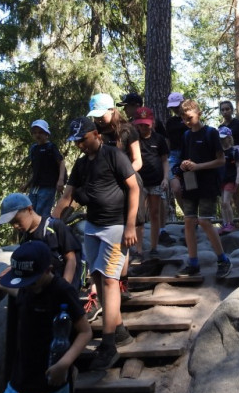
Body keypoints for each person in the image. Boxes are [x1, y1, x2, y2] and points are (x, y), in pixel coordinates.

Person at [51, 116, 139, 370]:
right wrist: (51, 223)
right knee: (97, 278)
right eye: (76, 141)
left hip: (115, 226)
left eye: (84, 139)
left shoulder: (113, 155)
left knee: (110, 280)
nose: (80, 145)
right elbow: (68, 196)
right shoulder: (81, 164)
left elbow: (133, 188)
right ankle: (119, 331)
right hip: (93, 227)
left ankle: (108, 345)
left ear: (96, 135)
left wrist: (130, 225)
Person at [0, 240, 91, 393]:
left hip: (48, 389)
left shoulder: (62, 291)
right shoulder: (27, 287)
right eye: (23, 282)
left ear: (48, 270)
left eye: (31, 281)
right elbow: (19, 292)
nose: (27, 286)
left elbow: (85, 332)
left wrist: (64, 364)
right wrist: (1, 285)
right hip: (17, 384)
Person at [175, 99, 232, 278]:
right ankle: (193, 263)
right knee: (188, 221)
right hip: (190, 183)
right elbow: (183, 158)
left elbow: (221, 160)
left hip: (208, 183)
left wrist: (198, 166)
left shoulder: (211, 133)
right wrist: (183, 165)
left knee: (205, 221)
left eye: (189, 117)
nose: (187, 121)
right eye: (184, 118)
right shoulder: (186, 136)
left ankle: (223, 260)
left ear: (198, 114)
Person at [87, 93, 145, 266]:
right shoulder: (95, 132)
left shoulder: (128, 130)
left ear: (112, 110)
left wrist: (123, 174)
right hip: (106, 185)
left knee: (134, 219)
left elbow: (138, 160)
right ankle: (121, 267)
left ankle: (139, 252)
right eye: (95, 116)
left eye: (101, 115)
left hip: (129, 180)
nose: (99, 119)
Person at [0, 192, 83, 290]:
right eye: (11, 223)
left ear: (29, 209)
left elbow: (71, 259)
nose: (15, 226)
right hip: (41, 287)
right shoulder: (24, 236)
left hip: (61, 284)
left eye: (17, 220)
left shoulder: (55, 227)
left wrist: (64, 287)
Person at [133, 106, 170, 260]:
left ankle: (154, 247)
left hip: (156, 181)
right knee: (139, 215)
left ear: (152, 123)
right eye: (140, 125)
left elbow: (165, 160)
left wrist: (166, 178)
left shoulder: (159, 139)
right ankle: (138, 250)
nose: (143, 127)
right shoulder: (134, 139)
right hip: (139, 182)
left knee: (155, 213)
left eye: (146, 124)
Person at [22, 119, 66, 216]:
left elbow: (61, 162)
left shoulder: (51, 147)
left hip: (48, 185)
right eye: (35, 133)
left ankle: (43, 226)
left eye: (40, 132)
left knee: (42, 212)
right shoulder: (33, 149)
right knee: (31, 211)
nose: (37, 135)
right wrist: (27, 184)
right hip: (35, 186)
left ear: (46, 134)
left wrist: (61, 180)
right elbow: (35, 170)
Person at [219, 100, 239, 230]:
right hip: (225, 160)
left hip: (237, 156)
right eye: (223, 109)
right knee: (226, 195)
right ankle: (228, 222)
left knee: (236, 192)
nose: (225, 111)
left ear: (232, 110)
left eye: (227, 109)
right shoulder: (220, 127)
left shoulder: (238, 124)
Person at [163, 92, 188, 242]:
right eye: (172, 107)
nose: (174, 109)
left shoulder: (189, 119)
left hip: (188, 156)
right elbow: (167, 140)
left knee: (190, 188)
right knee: (176, 189)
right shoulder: (170, 122)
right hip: (173, 156)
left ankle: (191, 219)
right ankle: (188, 216)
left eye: (176, 106)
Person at [217, 126, 239, 235]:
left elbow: (238, 166)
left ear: (229, 138)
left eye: (224, 138)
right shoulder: (219, 152)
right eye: (221, 138)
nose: (222, 140)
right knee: (222, 203)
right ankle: (225, 223)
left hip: (230, 179)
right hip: (221, 180)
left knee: (226, 202)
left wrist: (238, 178)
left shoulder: (234, 151)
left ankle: (231, 223)